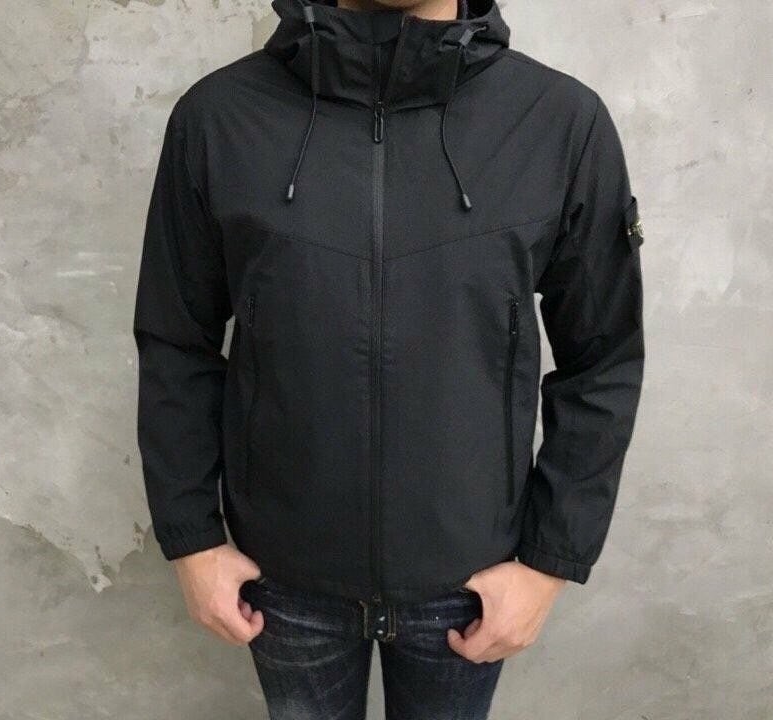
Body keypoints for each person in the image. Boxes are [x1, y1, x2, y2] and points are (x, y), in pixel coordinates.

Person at [131, 0, 645, 716]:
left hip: (469, 581)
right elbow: (175, 340)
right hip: (280, 578)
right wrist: (192, 539)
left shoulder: (558, 121)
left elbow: (603, 357)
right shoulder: (219, 117)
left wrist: (548, 564)